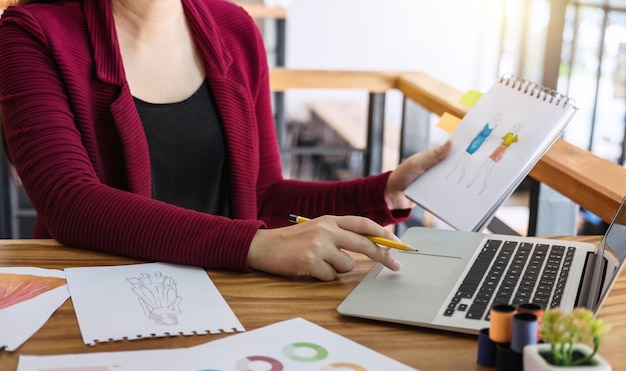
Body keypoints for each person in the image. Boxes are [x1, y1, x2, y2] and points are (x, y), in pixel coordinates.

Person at [0, 0, 452, 282]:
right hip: (96, 301)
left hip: (224, 295)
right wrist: (254, 246)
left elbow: (261, 193)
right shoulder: (28, 33)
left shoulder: (234, 29)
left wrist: (379, 191)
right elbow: (69, 203)